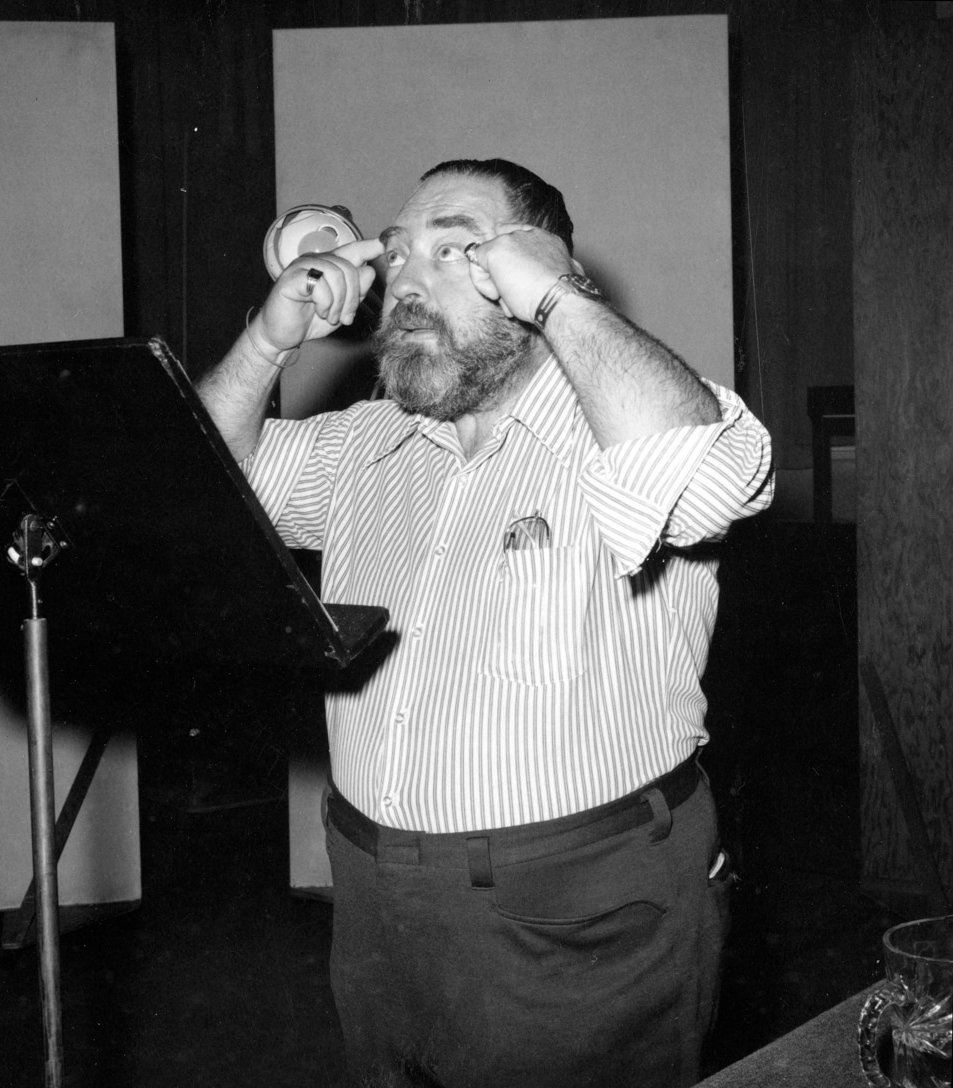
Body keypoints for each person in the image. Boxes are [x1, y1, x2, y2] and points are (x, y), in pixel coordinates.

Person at [197, 158, 773, 1088]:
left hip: (577, 917)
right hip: (375, 904)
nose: (407, 282)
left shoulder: (627, 425)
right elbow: (195, 502)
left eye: (453, 249)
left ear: (533, 265)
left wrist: (561, 296)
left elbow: (704, 478)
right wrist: (268, 345)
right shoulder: (361, 444)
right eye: (396, 255)